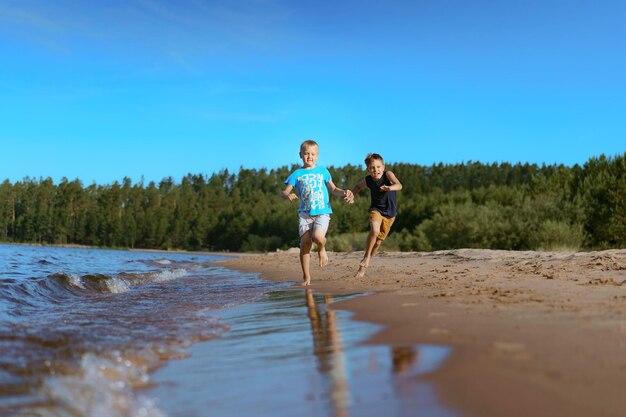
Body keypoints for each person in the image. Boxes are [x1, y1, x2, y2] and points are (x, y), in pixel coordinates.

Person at [281, 140, 353, 285]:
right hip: (305, 214)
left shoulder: (323, 171)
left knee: (318, 237)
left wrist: (344, 192)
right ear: (300, 155)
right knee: (305, 244)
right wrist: (287, 195)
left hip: (322, 212)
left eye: (312, 154)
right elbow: (284, 191)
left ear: (317, 156)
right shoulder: (297, 173)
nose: (309, 157)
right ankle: (306, 277)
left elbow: (333, 189)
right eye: (306, 153)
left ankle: (321, 249)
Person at [350, 153, 402, 277]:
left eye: (378, 167)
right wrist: (352, 195)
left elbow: (399, 185)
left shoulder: (388, 175)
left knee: (378, 243)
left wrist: (390, 188)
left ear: (383, 167)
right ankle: (366, 257)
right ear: (368, 170)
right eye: (372, 168)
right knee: (374, 230)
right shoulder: (368, 180)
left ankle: (363, 268)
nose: (376, 170)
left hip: (390, 214)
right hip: (376, 210)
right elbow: (357, 187)